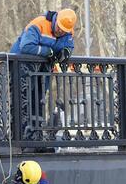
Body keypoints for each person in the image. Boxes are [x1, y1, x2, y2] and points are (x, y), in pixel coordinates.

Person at [10, 9, 77, 142]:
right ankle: (20, 138)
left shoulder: (68, 32)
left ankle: (36, 135)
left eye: (64, 30)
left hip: (42, 69)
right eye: (59, 27)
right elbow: (26, 46)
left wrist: (65, 53)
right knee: (22, 100)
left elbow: (68, 46)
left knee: (39, 99)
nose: (60, 31)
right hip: (22, 66)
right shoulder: (38, 24)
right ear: (55, 19)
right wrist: (49, 52)